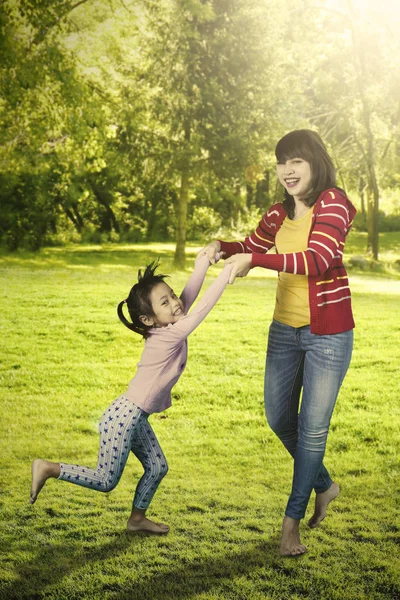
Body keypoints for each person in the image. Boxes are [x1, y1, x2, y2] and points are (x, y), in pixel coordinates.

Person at [199, 129, 356, 556]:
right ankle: (325, 485)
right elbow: (251, 247)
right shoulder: (276, 214)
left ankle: (291, 526)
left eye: (296, 161)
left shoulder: (334, 203)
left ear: (315, 163)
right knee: (277, 417)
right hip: (284, 331)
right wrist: (223, 247)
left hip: (328, 335)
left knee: (311, 429)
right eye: (282, 162)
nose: (287, 170)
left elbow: (318, 259)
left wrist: (255, 259)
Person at [30, 253, 232, 534]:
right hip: (123, 418)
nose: (176, 302)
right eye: (166, 301)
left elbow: (189, 298)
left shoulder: (167, 326)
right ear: (149, 319)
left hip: (135, 416)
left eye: (172, 295)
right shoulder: (168, 336)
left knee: (157, 466)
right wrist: (227, 274)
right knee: (105, 480)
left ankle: (137, 520)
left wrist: (202, 265)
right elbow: (201, 310)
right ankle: (49, 468)